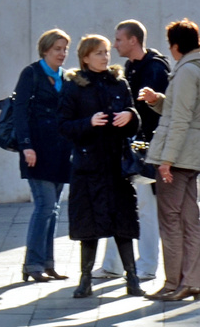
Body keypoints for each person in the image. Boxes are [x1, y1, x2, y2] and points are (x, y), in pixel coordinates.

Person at [59, 34, 143, 298]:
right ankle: (85, 279)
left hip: (116, 165)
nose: (105, 57)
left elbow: (134, 118)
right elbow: (63, 125)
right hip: (88, 165)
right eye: (98, 53)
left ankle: (132, 277)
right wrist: (88, 122)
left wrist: (131, 115)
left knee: (123, 223)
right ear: (85, 57)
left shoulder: (119, 83)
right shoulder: (74, 86)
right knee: (89, 226)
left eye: (106, 52)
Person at [97, 20, 169, 282]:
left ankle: (147, 266)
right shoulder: (132, 67)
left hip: (148, 151)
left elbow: (160, 113)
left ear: (133, 41)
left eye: (118, 39)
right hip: (130, 149)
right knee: (123, 205)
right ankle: (113, 265)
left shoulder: (155, 68)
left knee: (146, 209)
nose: (114, 45)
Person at [143, 18, 200, 300]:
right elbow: (184, 111)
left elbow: (181, 120)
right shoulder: (195, 67)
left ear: (175, 46)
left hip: (178, 157)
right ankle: (192, 281)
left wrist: (166, 159)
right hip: (190, 156)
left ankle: (173, 284)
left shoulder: (188, 71)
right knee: (190, 220)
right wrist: (157, 100)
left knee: (171, 220)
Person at [13, 28, 73, 283]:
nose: (62, 54)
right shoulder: (32, 73)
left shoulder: (66, 77)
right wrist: (26, 145)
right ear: (46, 49)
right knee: (45, 206)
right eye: (57, 49)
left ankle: (47, 263)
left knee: (54, 209)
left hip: (60, 152)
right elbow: (19, 111)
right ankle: (33, 264)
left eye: (65, 49)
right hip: (36, 152)